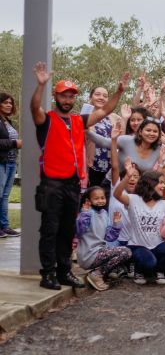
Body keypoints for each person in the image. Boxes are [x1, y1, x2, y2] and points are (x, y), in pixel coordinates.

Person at [30, 62, 128, 290]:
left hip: (73, 184)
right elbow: (34, 108)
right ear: (56, 97)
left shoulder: (78, 120)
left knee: (67, 229)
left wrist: (119, 92)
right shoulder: (47, 119)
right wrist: (41, 86)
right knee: (50, 230)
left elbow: (105, 111)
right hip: (52, 184)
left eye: (71, 96)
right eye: (63, 95)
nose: (67, 100)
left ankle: (64, 271)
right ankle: (48, 274)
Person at [113, 159, 165, 285]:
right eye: (160, 183)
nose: (164, 185)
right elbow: (116, 194)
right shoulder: (133, 199)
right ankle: (140, 270)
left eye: (163, 183)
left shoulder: (164, 203)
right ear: (150, 183)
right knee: (149, 262)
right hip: (137, 246)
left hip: (158, 246)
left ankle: (159, 271)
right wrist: (127, 177)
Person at [75, 186, 132, 291]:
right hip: (88, 255)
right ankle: (97, 275)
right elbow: (79, 231)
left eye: (102, 198)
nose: (100, 201)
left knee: (125, 252)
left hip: (100, 253)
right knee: (125, 252)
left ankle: (100, 273)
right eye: (96, 198)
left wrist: (116, 224)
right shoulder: (86, 213)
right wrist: (85, 214)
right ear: (88, 200)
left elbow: (109, 237)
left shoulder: (104, 213)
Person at [0, 92, 21, 237]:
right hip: (1, 163)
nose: (9, 105)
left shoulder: (7, 121)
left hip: (11, 162)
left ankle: (4, 226)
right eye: (5, 102)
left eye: (10, 103)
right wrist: (15, 143)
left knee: (5, 196)